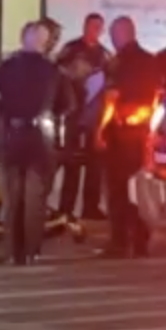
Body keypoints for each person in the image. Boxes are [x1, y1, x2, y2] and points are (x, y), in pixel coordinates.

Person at [0, 18, 72, 266]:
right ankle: (31, 252)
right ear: (45, 42)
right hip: (41, 139)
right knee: (34, 199)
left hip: (11, 136)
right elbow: (67, 106)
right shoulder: (54, 71)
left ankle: (14, 252)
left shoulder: (6, 68)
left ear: (23, 39)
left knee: (13, 198)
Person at [94, 15, 161, 258]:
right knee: (140, 189)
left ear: (119, 35)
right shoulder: (152, 61)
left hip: (120, 134)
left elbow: (111, 99)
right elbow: (158, 95)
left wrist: (99, 130)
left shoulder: (117, 63)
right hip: (143, 133)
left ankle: (120, 242)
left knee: (118, 189)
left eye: (113, 35)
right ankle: (141, 241)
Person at [53, 12, 113, 227]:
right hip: (72, 113)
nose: (94, 30)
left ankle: (91, 207)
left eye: (98, 27)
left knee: (94, 162)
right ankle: (66, 208)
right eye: (91, 26)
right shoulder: (71, 49)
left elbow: (112, 81)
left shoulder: (105, 55)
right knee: (72, 162)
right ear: (84, 26)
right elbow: (57, 73)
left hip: (94, 116)